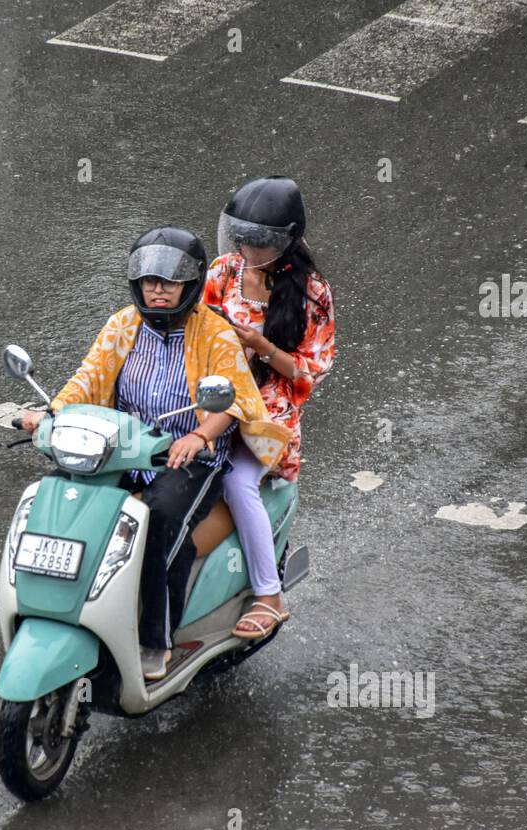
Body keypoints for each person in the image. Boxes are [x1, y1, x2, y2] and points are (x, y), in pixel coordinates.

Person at [21, 226, 291, 680]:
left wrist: (200, 436)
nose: (157, 291)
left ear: (190, 285)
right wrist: (50, 412)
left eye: (168, 282)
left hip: (191, 459)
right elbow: (89, 377)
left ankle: (155, 639)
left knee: (160, 522)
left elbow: (236, 400)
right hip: (123, 448)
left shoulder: (214, 332)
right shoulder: (123, 324)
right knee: (62, 500)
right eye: (149, 282)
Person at [203, 177, 335, 640]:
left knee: (238, 482)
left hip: (267, 410)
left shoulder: (313, 294)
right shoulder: (221, 272)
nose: (246, 249)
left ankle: (268, 595)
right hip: (214, 395)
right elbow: (192, 331)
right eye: (241, 237)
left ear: (285, 241)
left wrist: (261, 348)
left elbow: (309, 372)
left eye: (259, 242)